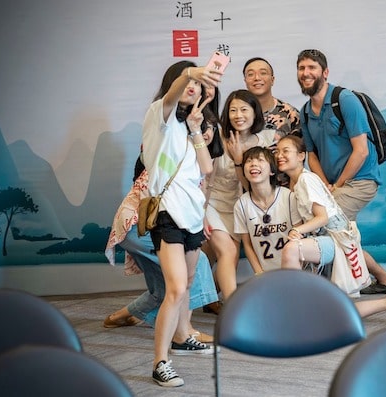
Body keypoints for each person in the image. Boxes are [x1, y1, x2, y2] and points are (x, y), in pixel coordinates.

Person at [103, 101, 223, 342]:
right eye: (200, 124)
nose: (206, 131)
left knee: (164, 288)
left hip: (135, 227)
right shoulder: (173, 149)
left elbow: (198, 187)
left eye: (210, 126)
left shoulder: (196, 156)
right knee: (193, 266)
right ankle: (185, 331)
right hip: (143, 223)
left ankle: (119, 316)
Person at [296, 49, 386, 295]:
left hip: (360, 181)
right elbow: (311, 154)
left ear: (325, 72)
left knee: (326, 227)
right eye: (301, 68)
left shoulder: (344, 100)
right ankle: (384, 281)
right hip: (332, 185)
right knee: (341, 237)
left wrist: (338, 185)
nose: (306, 73)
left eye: (312, 67)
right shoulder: (304, 111)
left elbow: (362, 151)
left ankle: (328, 290)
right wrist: (325, 187)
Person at [275, 136, 386, 323]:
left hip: (335, 238)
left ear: (301, 156)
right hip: (329, 239)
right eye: (277, 151)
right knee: (332, 313)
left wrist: (298, 231)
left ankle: (288, 310)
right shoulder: (298, 182)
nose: (279, 155)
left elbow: (322, 217)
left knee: (292, 248)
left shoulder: (306, 180)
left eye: (285, 151)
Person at [141, 60, 219, 387]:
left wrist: (198, 128)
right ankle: (160, 362)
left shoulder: (189, 126)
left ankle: (181, 337)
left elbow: (205, 168)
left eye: (198, 86)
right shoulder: (161, 114)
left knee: (185, 283)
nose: (193, 88)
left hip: (191, 216)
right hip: (167, 215)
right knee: (175, 288)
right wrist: (190, 73)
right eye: (188, 82)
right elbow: (173, 95)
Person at [202, 89, 277, 301]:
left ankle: (204, 299)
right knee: (228, 253)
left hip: (239, 209)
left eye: (244, 109)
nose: (238, 115)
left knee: (208, 256)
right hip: (213, 204)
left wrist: (238, 161)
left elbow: (252, 187)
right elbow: (203, 179)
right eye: (233, 110)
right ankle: (232, 306)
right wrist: (202, 212)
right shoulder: (217, 136)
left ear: (255, 113)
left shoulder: (265, 140)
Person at [233, 146, 300, 274]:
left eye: (260, 160)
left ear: (272, 171)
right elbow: (247, 245)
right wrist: (259, 273)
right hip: (266, 273)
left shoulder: (288, 196)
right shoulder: (241, 204)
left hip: (293, 270)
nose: (253, 164)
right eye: (249, 161)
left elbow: (298, 236)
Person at [243, 57, 301, 139]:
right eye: (250, 74)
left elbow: (300, 148)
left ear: (272, 80)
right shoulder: (238, 114)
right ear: (245, 81)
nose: (257, 78)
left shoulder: (290, 114)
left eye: (263, 73)